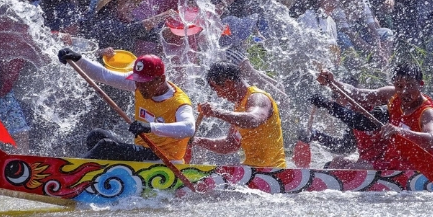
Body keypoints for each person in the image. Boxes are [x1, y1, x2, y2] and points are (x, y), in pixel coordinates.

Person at [58, 50, 196, 163]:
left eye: (144, 83)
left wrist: (150, 127)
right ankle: (96, 177)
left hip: (163, 159)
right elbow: (104, 75)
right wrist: (79, 59)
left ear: (161, 79)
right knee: (96, 136)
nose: (139, 87)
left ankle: (70, 174)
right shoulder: (140, 85)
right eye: (137, 82)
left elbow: (189, 128)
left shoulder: (179, 102)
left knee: (106, 146)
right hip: (142, 151)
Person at [316, 62, 433, 170]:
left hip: (415, 166)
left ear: (421, 84)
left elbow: (432, 141)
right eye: (399, 86)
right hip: (391, 161)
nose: (404, 91)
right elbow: (356, 94)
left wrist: (399, 131)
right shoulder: (392, 94)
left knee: (353, 168)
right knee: (338, 161)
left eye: (410, 85)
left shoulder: (428, 112)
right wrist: (332, 83)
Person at [193, 62, 286, 168]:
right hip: (253, 169)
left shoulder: (258, 97)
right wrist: (199, 141)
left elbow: (253, 119)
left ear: (228, 83)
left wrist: (216, 112)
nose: (219, 95)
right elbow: (230, 144)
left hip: (273, 171)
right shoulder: (239, 107)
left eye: (217, 89)